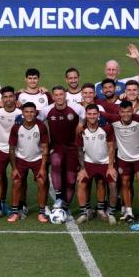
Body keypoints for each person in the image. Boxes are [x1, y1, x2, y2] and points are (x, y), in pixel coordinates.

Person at [39, 85, 84, 215]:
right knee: (56, 163)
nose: (59, 97)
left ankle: (65, 207)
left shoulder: (76, 108)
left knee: (70, 180)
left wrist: (81, 123)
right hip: (56, 147)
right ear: (53, 97)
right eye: (56, 95)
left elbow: (87, 116)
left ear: (65, 95)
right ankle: (58, 198)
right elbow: (37, 123)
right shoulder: (47, 110)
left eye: (61, 94)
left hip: (73, 148)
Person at [105, 100, 139, 224]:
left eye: (128, 111)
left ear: (133, 111)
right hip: (123, 158)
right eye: (123, 112)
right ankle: (129, 213)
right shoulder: (113, 119)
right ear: (119, 112)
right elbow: (94, 113)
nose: (126, 114)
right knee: (125, 184)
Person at [7, 102, 49, 223]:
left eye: (32, 112)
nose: (29, 114)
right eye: (26, 112)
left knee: (42, 181)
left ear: (35, 113)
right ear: (22, 113)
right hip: (21, 159)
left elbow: (45, 148)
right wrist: (14, 168)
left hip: (37, 159)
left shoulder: (41, 126)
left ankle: (41, 212)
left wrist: (43, 168)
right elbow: (11, 149)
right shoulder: (16, 127)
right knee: (16, 182)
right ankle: (15, 212)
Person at [75, 104, 116, 224]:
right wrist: (82, 168)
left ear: (98, 115)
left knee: (111, 184)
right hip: (89, 162)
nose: (92, 116)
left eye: (94, 114)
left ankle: (109, 212)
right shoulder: (81, 130)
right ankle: (84, 213)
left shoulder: (106, 128)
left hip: (105, 163)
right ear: (86, 115)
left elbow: (111, 148)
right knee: (81, 184)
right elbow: (79, 150)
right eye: (89, 114)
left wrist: (111, 167)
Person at [0, 86, 21, 219]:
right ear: (2, 99)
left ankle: (18, 207)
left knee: (18, 179)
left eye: (10, 96)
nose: (8, 99)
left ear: (15, 97)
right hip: (0, 149)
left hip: (17, 151)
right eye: (5, 97)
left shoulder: (21, 112)